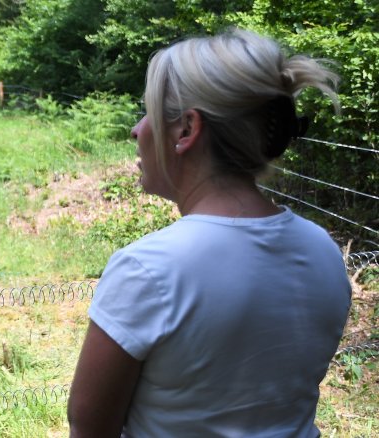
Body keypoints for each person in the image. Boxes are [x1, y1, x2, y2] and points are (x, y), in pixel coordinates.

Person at [67, 29, 351, 437]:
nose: (136, 129)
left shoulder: (149, 270)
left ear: (186, 130)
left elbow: (91, 429)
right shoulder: (323, 250)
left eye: (147, 111)